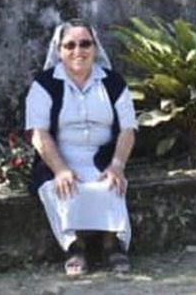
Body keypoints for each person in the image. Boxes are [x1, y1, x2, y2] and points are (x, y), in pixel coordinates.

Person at [23, 19, 137, 276]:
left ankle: (112, 244)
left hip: (102, 156)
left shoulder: (113, 83)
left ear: (95, 47)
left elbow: (128, 130)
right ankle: (76, 247)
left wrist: (117, 165)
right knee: (63, 186)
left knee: (110, 183)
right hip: (59, 156)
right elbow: (39, 134)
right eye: (70, 45)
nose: (78, 51)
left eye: (85, 44)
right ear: (59, 50)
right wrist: (60, 169)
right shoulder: (44, 84)